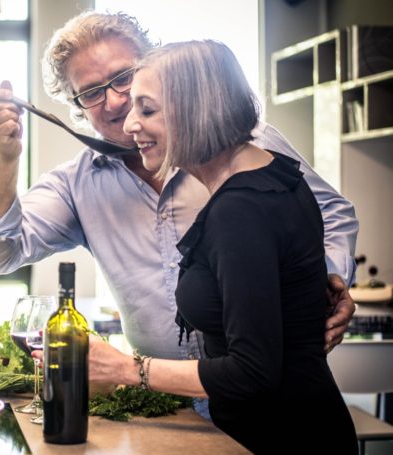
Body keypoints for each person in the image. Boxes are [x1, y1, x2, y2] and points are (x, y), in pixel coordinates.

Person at [0, 11, 357, 381]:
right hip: (162, 395)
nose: (115, 101)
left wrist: (320, 285)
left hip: (263, 391)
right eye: (91, 93)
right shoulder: (75, 185)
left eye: (123, 77)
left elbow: (331, 212)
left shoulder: (241, 145)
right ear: (77, 107)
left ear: (152, 67)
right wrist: (5, 158)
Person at [86, 39, 357, 454]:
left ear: (195, 109)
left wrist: (127, 369)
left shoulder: (239, 210)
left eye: (147, 109)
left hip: (282, 438)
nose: (130, 125)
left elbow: (252, 372)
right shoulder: (275, 173)